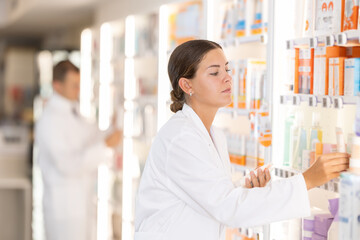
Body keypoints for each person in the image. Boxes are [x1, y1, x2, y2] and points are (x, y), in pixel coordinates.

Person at [134, 40, 349, 240]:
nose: (227, 78)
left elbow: (209, 197)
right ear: (187, 85)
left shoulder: (213, 134)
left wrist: (243, 190)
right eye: (214, 73)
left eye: (227, 69)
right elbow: (228, 208)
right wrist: (307, 181)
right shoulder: (180, 138)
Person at [35, 60, 122, 240]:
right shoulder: (50, 120)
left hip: (82, 205)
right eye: (74, 85)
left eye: (79, 85)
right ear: (57, 86)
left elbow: (90, 137)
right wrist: (105, 145)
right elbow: (67, 165)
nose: (78, 90)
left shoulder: (73, 111)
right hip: (64, 210)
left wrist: (109, 131)